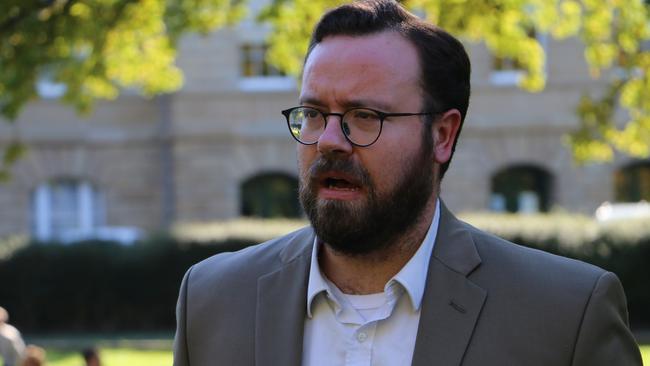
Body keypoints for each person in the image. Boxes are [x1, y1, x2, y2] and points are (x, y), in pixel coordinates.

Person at [173, 1, 642, 365]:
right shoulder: (213, 300)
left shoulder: (565, 314)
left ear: (442, 135)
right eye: (314, 114)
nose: (329, 141)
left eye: (365, 116)